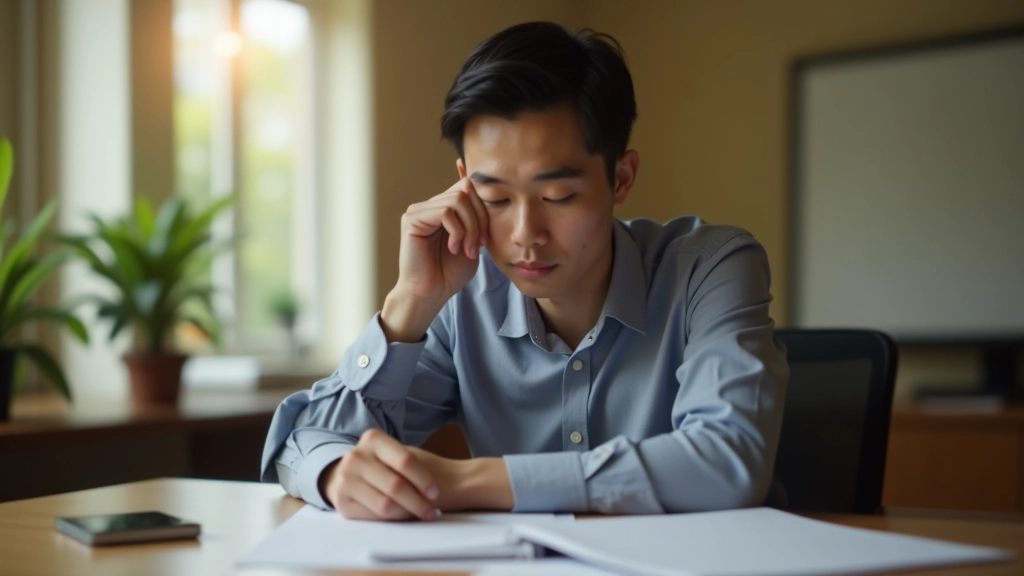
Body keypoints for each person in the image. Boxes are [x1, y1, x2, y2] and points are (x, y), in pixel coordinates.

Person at [261, 21, 788, 521]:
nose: (525, 234)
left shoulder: (710, 269)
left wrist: (468, 481)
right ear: (464, 184)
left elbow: (728, 459)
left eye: (557, 196)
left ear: (621, 177)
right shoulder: (462, 300)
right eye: (494, 199)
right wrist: (410, 300)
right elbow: (302, 440)